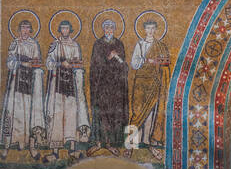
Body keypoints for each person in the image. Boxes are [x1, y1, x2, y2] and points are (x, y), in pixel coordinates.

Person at [44, 19, 90, 158]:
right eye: (62, 28)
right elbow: (48, 63)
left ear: (70, 30)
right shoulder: (55, 44)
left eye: (67, 28)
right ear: (60, 30)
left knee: (71, 115)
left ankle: (72, 148)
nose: (64, 31)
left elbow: (78, 62)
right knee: (57, 115)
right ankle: (55, 151)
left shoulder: (75, 45)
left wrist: (75, 65)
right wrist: (60, 63)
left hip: (71, 85)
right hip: (57, 84)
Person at [0, 18, 45, 156]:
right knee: (13, 111)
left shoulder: (34, 44)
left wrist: (33, 64)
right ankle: (6, 146)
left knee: (29, 113)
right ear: (19, 30)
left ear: (30, 30)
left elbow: (37, 60)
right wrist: (21, 63)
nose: (25, 31)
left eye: (27, 28)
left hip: (29, 83)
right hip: (15, 82)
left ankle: (30, 146)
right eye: (23, 28)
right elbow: (9, 62)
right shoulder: (15, 43)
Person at [129, 19, 171, 154]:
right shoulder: (140, 45)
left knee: (151, 112)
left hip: (154, 81)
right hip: (141, 82)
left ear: (156, 30)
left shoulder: (160, 46)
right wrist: (147, 60)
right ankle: (131, 143)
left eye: (153, 28)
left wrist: (160, 62)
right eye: (148, 28)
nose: (151, 31)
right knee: (137, 111)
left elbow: (166, 62)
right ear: (144, 30)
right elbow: (134, 64)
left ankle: (147, 141)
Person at [89, 18, 129, 150]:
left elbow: (123, 63)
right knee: (103, 114)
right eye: (106, 28)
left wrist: (120, 63)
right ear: (103, 29)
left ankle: (114, 143)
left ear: (114, 30)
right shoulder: (98, 44)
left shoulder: (119, 44)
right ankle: (102, 142)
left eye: (111, 28)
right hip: (103, 86)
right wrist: (109, 58)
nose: (109, 30)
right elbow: (95, 64)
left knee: (116, 114)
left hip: (116, 86)